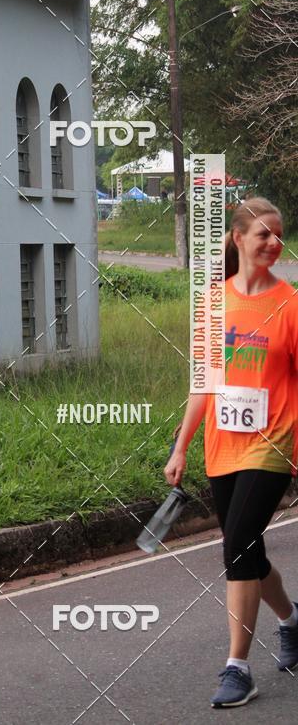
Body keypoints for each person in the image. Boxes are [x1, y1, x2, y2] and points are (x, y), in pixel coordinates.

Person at [165, 197, 298, 709]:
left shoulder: (291, 304)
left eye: (279, 235)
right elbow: (203, 384)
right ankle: (292, 620)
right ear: (239, 238)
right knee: (247, 549)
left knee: (238, 545)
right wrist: (180, 447)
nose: (274, 243)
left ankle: (238, 668)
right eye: (264, 234)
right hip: (223, 444)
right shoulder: (212, 303)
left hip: (274, 441)